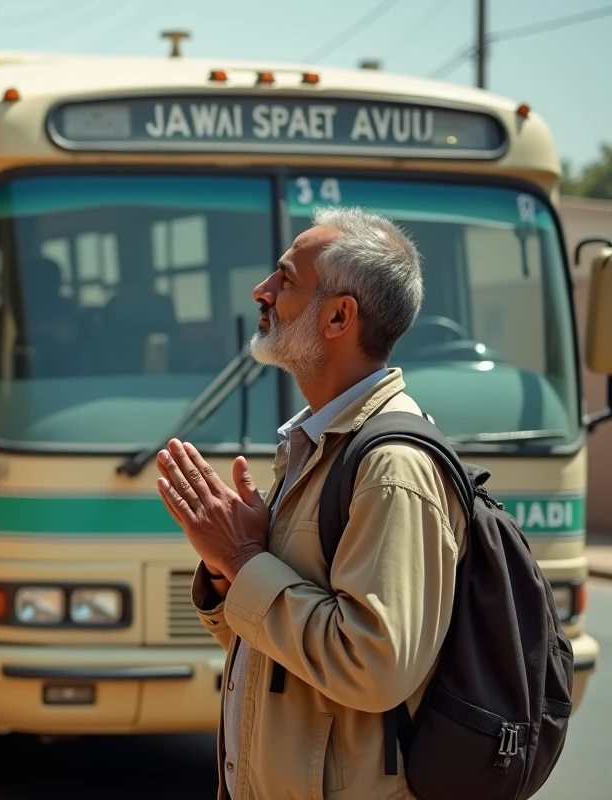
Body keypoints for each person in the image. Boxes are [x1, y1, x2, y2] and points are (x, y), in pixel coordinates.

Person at [154, 206, 468, 799]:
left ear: (339, 316)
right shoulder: (317, 448)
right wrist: (230, 577)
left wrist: (247, 561)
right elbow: (286, 659)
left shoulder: (390, 467)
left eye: (286, 278)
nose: (262, 291)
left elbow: (373, 667)